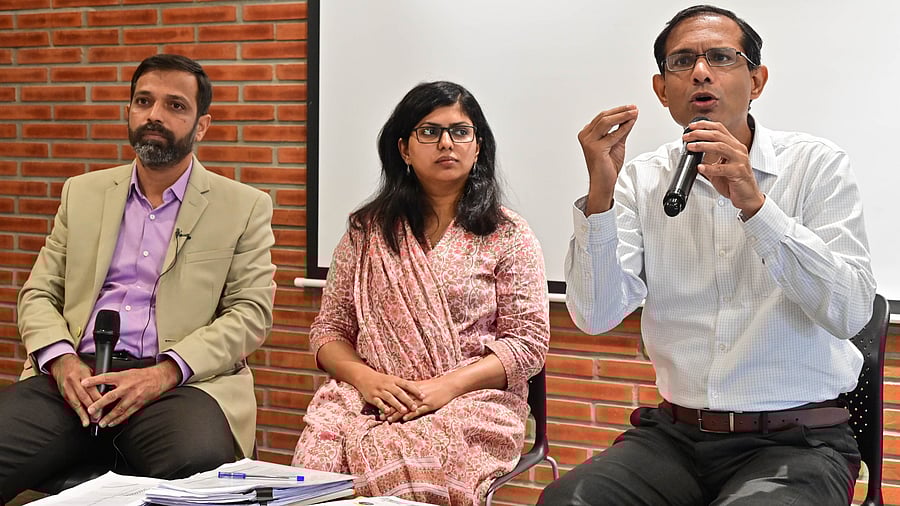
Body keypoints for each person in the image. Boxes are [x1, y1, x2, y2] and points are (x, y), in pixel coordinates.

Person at [540, 5, 875, 505]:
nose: (700, 72)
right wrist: (601, 199)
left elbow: (850, 311)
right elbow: (594, 315)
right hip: (674, 438)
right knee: (567, 501)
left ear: (756, 81)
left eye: (720, 57)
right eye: (682, 61)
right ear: (662, 90)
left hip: (797, 439)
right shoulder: (642, 179)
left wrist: (756, 207)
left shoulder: (816, 166)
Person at [0, 53, 276, 503]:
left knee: (200, 473)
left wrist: (164, 373)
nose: (154, 115)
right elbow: (38, 293)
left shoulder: (244, 206)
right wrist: (61, 360)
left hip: (178, 383)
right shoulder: (82, 192)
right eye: (144, 101)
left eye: (175, 105)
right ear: (128, 111)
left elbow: (250, 314)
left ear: (201, 126)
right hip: (75, 377)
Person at [291, 81, 549, 505]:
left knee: (418, 458)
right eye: (429, 132)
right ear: (404, 150)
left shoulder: (508, 234)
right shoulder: (366, 232)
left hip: (468, 401)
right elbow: (329, 331)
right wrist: (367, 380)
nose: (446, 143)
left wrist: (444, 388)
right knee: (317, 463)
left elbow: (527, 345)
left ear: (478, 147)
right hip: (369, 394)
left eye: (460, 132)